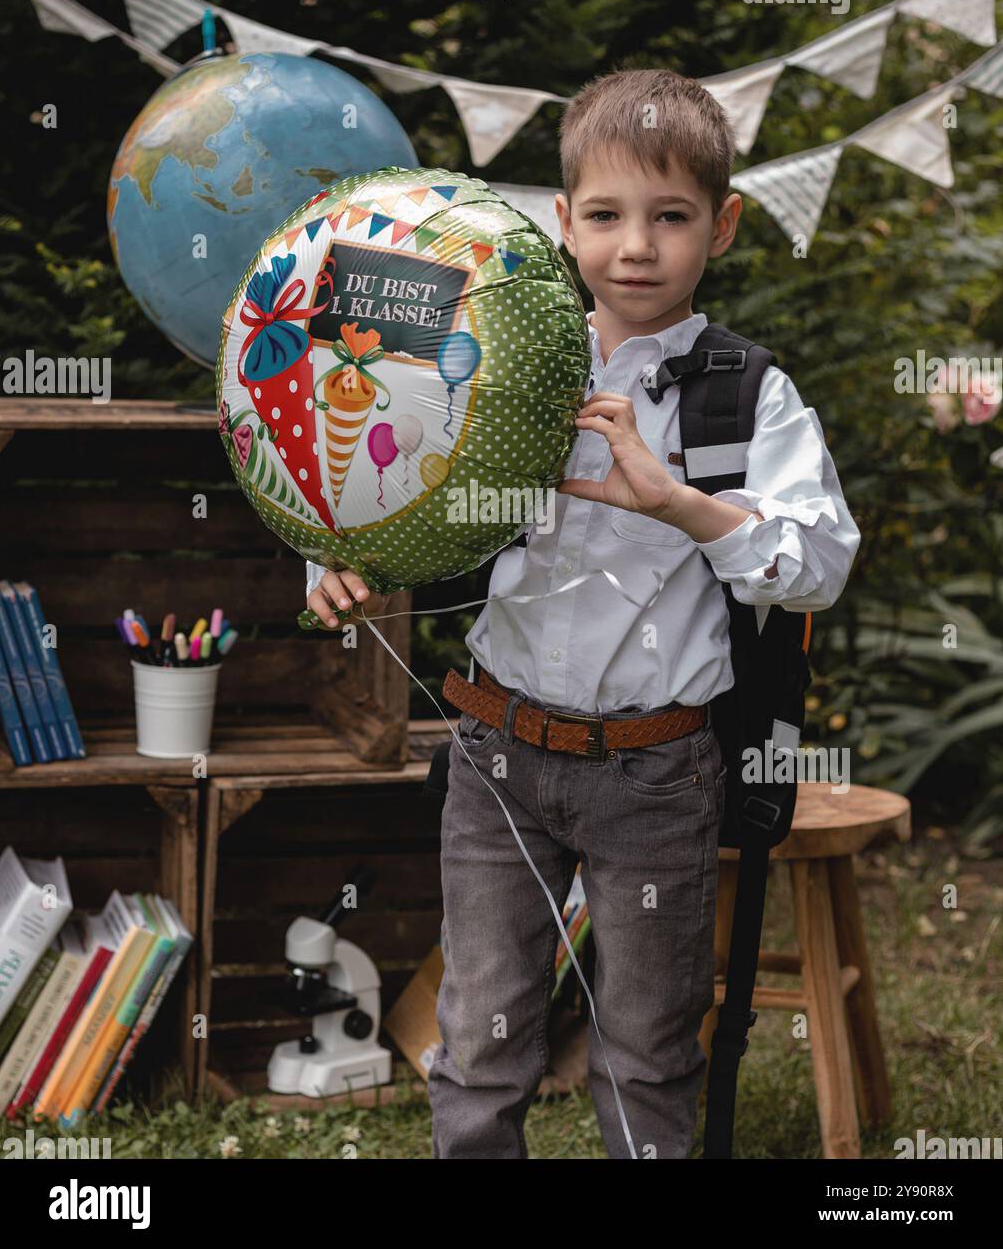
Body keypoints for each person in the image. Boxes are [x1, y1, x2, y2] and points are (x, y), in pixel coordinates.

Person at [305, 68, 861, 1159]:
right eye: (604, 215)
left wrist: (686, 505)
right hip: (497, 755)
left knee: (648, 1041)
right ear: (562, 224)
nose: (635, 246)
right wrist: (342, 558)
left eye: (670, 217)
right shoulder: (489, 362)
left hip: (656, 774)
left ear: (723, 225)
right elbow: (389, 483)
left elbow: (817, 566)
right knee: (480, 1028)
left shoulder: (749, 398)